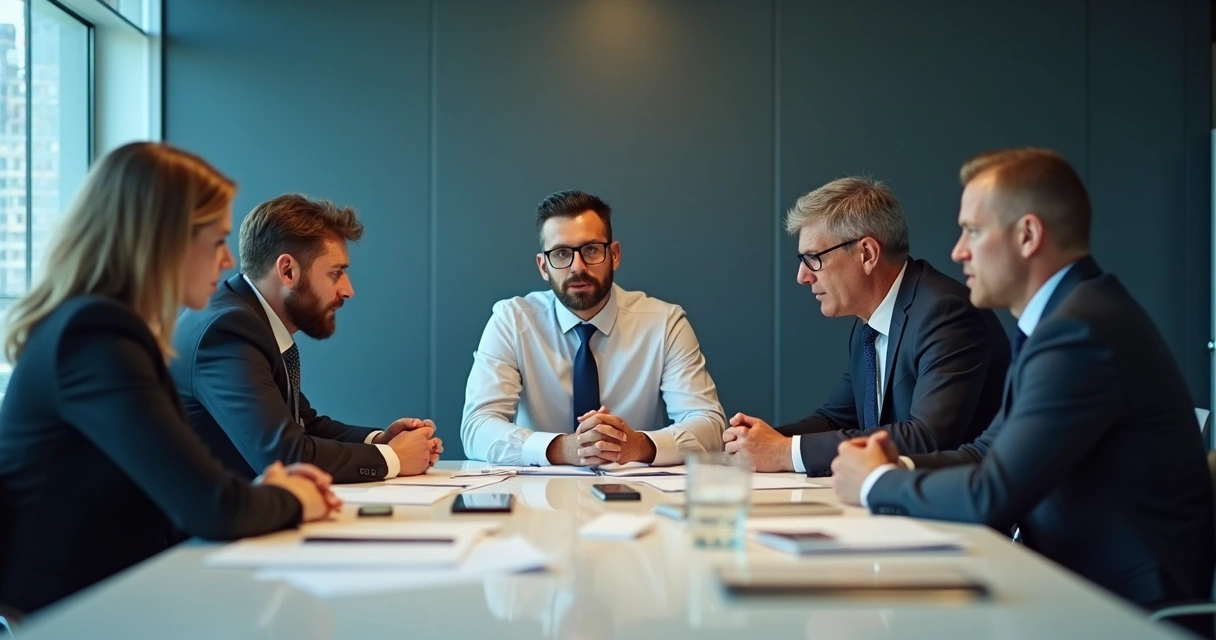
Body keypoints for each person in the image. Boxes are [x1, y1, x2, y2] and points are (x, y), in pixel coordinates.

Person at [831, 148, 1215, 610]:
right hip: (1073, 585)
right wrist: (899, 465)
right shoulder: (1069, 316)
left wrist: (877, 482)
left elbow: (992, 493)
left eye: (973, 231)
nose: (958, 251)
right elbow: (986, 452)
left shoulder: (1079, 331)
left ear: (1028, 235)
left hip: (1118, 608)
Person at [0, 142, 339, 614]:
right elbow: (211, 507)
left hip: (118, 590)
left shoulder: (97, 328)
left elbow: (186, 489)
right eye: (216, 241)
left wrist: (264, 495)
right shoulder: (95, 336)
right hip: (77, 612)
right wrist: (292, 499)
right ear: (163, 241)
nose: (227, 261)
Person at [725, 177, 1009, 476]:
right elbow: (837, 419)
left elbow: (928, 437)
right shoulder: (870, 324)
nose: (803, 276)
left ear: (867, 254)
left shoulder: (944, 313)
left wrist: (785, 451)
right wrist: (758, 441)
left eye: (813, 258)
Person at [173, 194, 442, 484]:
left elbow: (303, 425)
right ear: (287, 271)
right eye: (335, 273)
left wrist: (380, 441)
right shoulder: (228, 331)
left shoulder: (246, 318)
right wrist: (394, 458)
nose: (348, 290)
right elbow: (285, 455)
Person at [461, 190, 725, 466]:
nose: (578, 267)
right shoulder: (512, 321)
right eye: (561, 254)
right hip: (536, 489)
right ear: (543, 266)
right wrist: (564, 448)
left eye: (590, 250)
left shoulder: (665, 323)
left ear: (614, 255)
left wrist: (637, 446)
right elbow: (477, 427)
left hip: (636, 489)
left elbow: (710, 424)